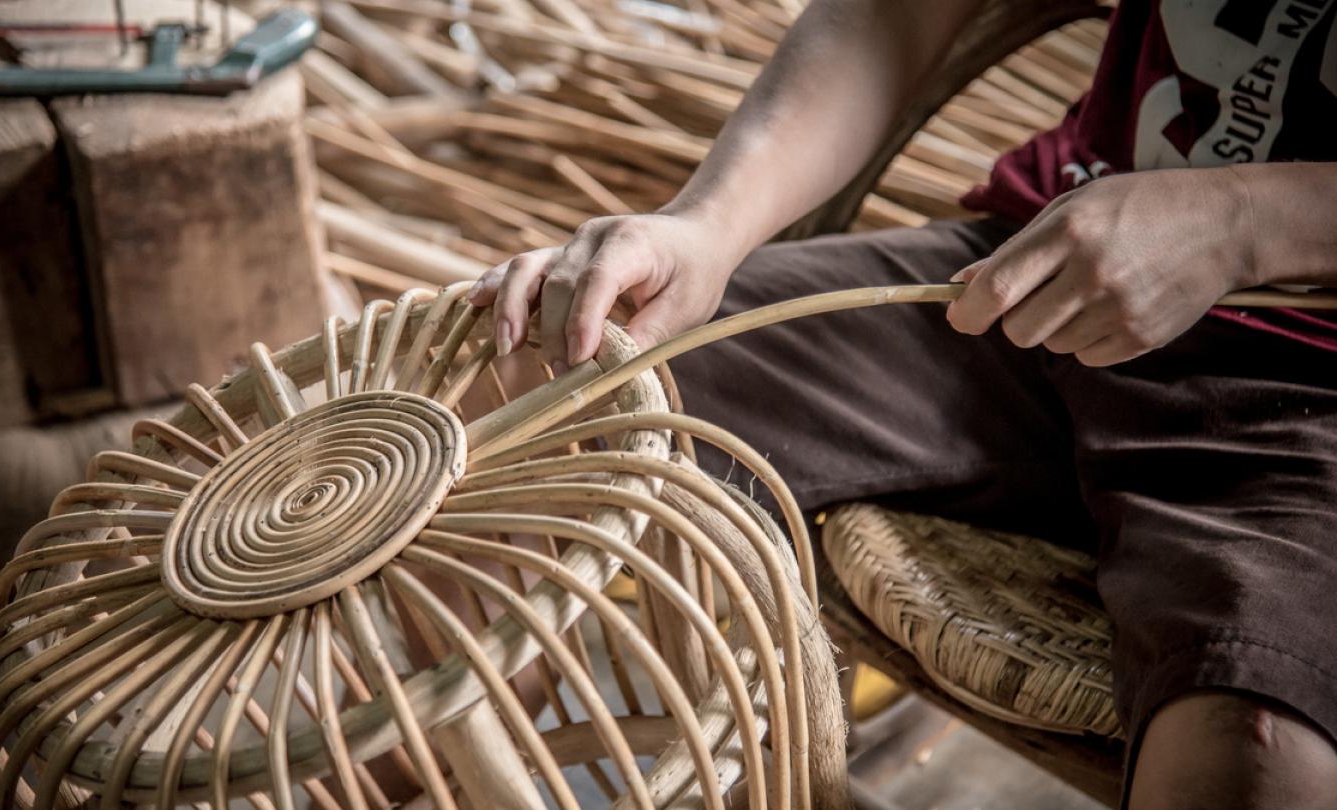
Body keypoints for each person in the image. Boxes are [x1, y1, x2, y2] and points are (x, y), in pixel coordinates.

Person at [467, 0, 1337, 806]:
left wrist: (1241, 221)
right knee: (535, 385)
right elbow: (897, 13)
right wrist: (707, 223)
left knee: (1253, 752)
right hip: (1028, 277)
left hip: (1308, 395)